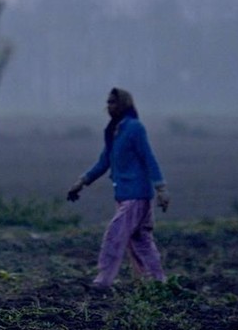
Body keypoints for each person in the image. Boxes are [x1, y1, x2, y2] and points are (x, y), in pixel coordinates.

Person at [67, 88, 171, 288]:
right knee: (141, 241)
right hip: (124, 195)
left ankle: (104, 279)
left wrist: (161, 188)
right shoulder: (114, 131)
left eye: (113, 102)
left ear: (123, 104)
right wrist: (81, 182)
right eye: (108, 102)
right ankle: (156, 281)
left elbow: (149, 158)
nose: (109, 106)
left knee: (115, 235)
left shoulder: (134, 128)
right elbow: (103, 162)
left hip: (136, 195)